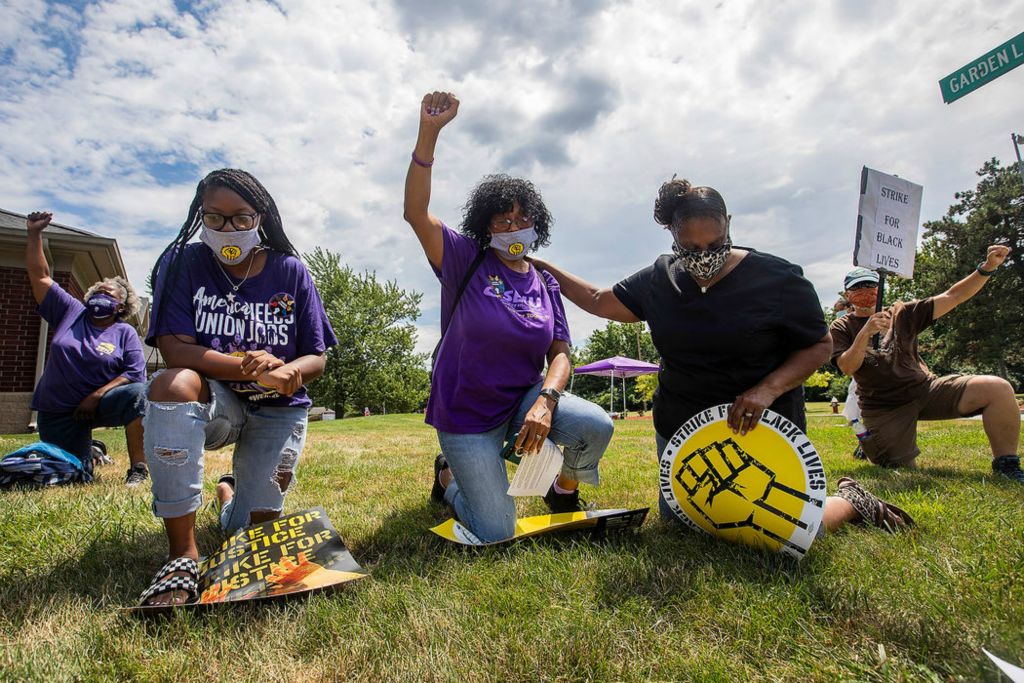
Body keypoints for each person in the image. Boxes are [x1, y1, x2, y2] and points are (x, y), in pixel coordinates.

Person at [531, 178, 914, 536]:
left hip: (761, 423)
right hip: (683, 425)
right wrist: (542, 267)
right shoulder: (658, 279)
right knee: (687, 528)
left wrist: (767, 389)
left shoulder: (778, 279)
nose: (703, 257)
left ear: (728, 225)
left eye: (714, 245)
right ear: (672, 237)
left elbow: (818, 346)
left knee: (779, 529)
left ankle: (850, 501)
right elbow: (600, 300)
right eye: (689, 248)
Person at [403, 91, 614, 543]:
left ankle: (562, 490)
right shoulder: (466, 258)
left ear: (538, 224)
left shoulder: (545, 283)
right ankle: (448, 478)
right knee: (495, 530)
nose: (513, 227)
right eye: (501, 220)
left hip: (522, 404)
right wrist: (429, 134)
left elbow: (561, 353)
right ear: (484, 226)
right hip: (465, 414)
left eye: (522, 218)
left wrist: (547, 400)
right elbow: (416, 214)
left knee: (595, 425)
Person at [139, 169, 337, 607]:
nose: (228, 229)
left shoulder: (291, 272)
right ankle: (183, 554)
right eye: (216, 217)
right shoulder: (183, 262)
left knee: (251, 530)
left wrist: (286, 371)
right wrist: (251, 369)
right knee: (170, 385)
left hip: (279, 409)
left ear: (260, 217)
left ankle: (229, 494)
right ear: (200, 216)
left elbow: (317, 356)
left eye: (241, 218)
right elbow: (175, 350)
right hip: (217, 399)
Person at [830, 252, 1022, 481]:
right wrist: (865, 332)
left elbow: (954, 296)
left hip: (926, 388)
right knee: (898, 469)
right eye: (857, 288)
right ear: (848, 295)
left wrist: (987, 268)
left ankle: (1006, 465)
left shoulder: (903, 313)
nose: (865, 293)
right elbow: (847, 367)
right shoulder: (841, 326)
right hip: (883, 405)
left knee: (997, 388)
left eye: (871, 286)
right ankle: (874, 442)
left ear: (880, 289)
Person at [24, 211, 148, 486]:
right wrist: (34, 233)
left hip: (99, 405)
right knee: (75, 477)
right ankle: (93, 452)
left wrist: (96, 396)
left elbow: (135, 374)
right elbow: (40, 276)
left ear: (121, 306)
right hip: (57, 411)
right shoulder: (70, 311)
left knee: (139, 395)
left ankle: (138, 469)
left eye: (110, 294)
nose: (102, 295)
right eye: (99, 291)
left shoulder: (124, 332)